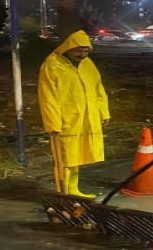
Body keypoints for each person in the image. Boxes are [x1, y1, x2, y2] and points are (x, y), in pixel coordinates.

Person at [38, 30, 110, 199]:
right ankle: (63, 194)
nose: (82, 54)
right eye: (79, 50)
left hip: (86, 117)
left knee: (76, 155)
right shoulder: (52, 64)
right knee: (64, 158)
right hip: (65, 119)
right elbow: (47, 96)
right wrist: (52, 123)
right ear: (69, 47)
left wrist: (103, 111)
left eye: (86, 51)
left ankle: (73, 190)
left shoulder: (88, 64)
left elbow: (98, 88)